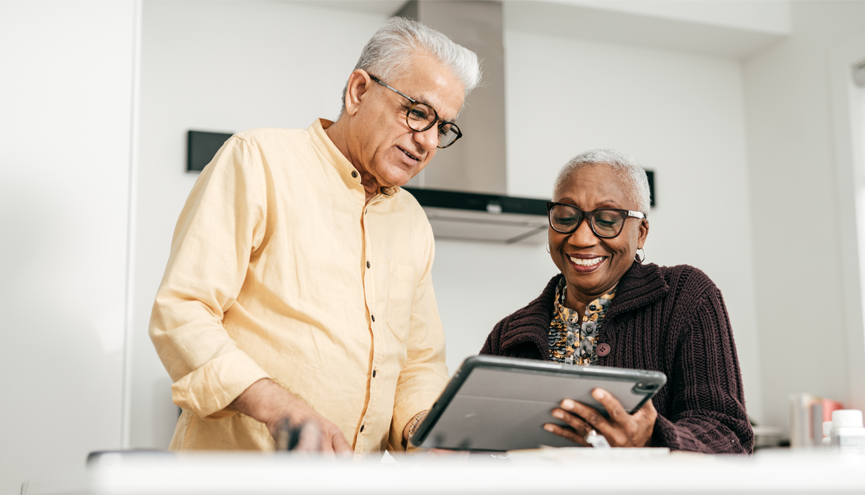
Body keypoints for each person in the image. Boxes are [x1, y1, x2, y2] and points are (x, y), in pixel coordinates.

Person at [149, 17, 480, 454]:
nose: (427, 142)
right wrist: (279, 406)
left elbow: (418, 363)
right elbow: (183, 311)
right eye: (417, 113)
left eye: (443, 127)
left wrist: (423, 429)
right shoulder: (259, 160)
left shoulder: (412, 220)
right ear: (358, 90)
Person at [480, 149, 754, 453]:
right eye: (566, 217)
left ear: (641, 233)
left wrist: (652, 437)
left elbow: (727, 433)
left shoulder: (686, 297)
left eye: (607, 220)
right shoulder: (508, 335)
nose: (581, 238)